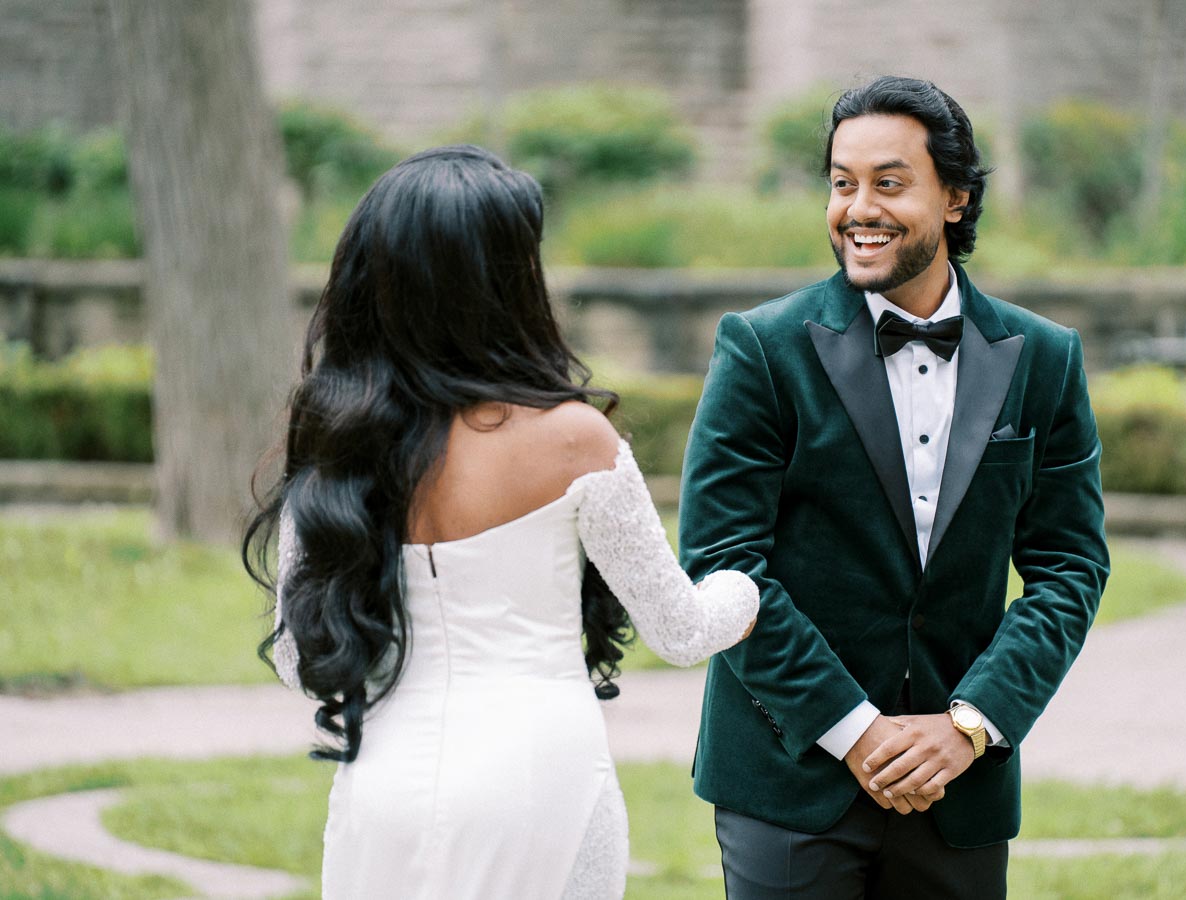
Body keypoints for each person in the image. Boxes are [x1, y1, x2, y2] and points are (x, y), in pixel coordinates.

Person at [242, 145, 758, 900]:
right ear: (502, 281)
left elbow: (297, 658)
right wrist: (750, 586)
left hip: (385, 784)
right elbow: (680, 630)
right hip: (541, 778)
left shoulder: (338, 435)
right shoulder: (572, 437)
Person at [679, 76, 1110, 898]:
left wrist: (970, 726)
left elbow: (1070, 569)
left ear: (955, 197)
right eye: (842, 183)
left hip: (960, 789)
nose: (858, 208)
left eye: (888, 182)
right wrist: (856, 730)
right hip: (788, 781)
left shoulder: (1045, 358)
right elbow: (722, 564)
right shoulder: (761, 349)